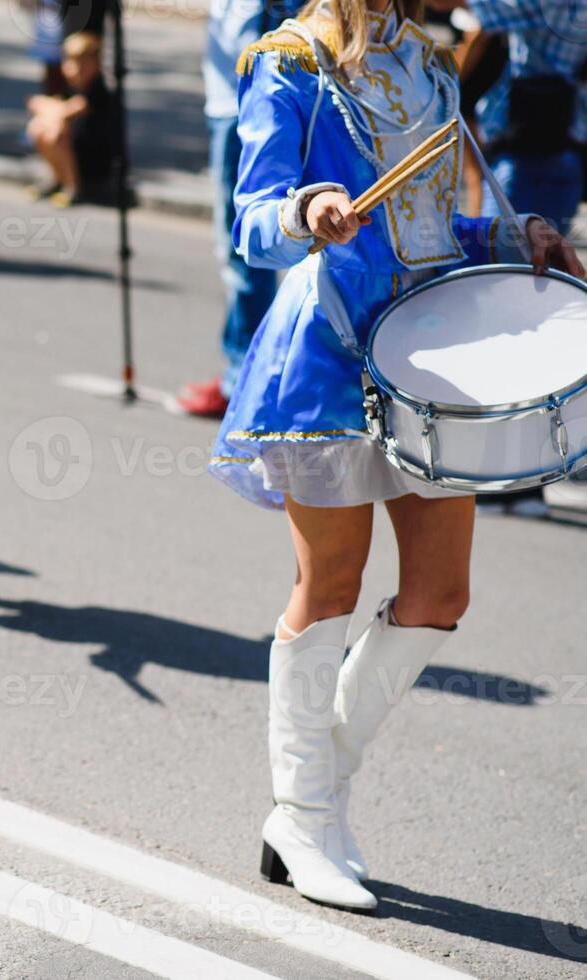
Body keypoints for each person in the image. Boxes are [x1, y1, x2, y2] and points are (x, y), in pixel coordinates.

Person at [209, 0, 582, 911]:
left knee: (440, 594)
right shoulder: (289, 63)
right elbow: (250, 223)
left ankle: (310, 794)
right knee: (330, 587)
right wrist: (309, 208)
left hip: (427, 342)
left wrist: (513, 232)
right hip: (331, 347)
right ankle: (304, 816)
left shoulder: (434, 65)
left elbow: (437, 228)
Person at [431, 0, 587, 516]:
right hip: (568, 152)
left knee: (511, 320)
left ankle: (512, 480)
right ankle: (532, 476)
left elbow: (460, 7)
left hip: (528, 153)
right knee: (538, 317)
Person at [179, 0, 304, 418]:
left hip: (249, 98)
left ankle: (246, 381)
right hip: (233, 94)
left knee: (246, 242)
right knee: (249, 242)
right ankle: (251, 375)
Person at [25, 31, 115, 207]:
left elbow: (69, 110)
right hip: (75, 147)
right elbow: (37, 102)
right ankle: (58, 179)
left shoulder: (97, 89)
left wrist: (49, 110)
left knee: (54, 131)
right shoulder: (72, 86)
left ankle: (72, 186)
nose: (74, 69)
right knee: (40, 127)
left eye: (81, 64)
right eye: (71, 62)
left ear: (95, 64)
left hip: (93, 155)